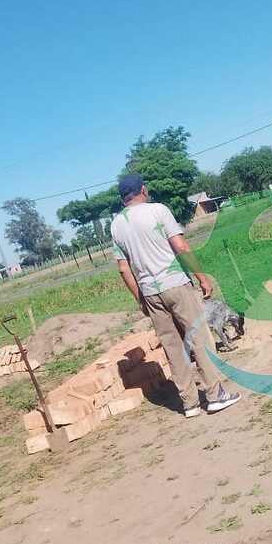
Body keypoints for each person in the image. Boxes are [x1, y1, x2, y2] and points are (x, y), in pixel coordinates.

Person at [110, 173, 242, 418]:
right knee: (199, 338)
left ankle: (189, 403)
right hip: (176, 285)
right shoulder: (158, 210)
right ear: (143, 190)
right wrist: (202, 277)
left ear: (123, 198)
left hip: (150, 293)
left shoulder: (116, 224)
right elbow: (180, 246)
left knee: (173, 347)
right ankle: (215, 395)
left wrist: (139, 297)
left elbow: (123, 267)